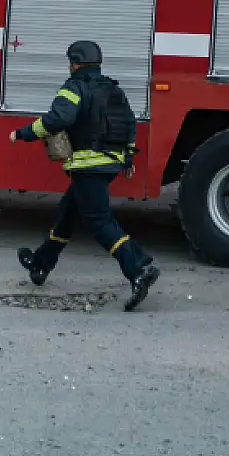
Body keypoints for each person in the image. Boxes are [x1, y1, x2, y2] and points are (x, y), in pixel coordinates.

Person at [12, 40, 160, 312]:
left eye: (71, 62)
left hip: (88, 165)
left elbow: (57, 119)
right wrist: (128, 156)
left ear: (75, 64)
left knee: (99, 221)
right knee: (68, 214)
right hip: (111, 164)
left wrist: (22, 133)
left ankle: (139, 269)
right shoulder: (113, 89)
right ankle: (40, 264)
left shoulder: (74, 87)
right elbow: (129, 122)